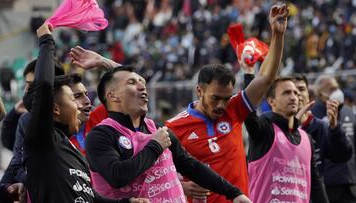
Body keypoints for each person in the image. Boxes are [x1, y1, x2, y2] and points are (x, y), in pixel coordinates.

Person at [165, 3, 288, 202]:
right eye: (215, 98)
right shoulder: (174, 127)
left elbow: (266, 78)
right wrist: (182, 186)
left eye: (226, 98)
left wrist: (277, 34)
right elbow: (157, 174)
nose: (222, 105)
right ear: (199, 91)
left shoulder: (235, 108)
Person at [85, 66, 252, 203]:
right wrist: (155, 146)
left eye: (142, 82)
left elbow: (190, 166)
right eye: (132, 83)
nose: (143, 86)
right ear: (112, 95)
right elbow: (117, 176)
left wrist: (234, 193)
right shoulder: (101, 135)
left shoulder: (157, 130)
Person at [24, 23, 148, 203]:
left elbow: (91, 197)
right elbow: (44, 88)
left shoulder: (74, 152)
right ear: (55, 108)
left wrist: (125, 202)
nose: (82, 104)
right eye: (73, 98)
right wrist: (46, 41)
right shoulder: (43, 140)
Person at [245, 77, 329, 203]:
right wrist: (249, 74)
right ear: (271, 101)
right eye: (286, 92)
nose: (294, 97)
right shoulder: (264, 130)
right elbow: (249, 112)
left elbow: (316, 186)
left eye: (296, 93)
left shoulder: (307, 138)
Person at [292, 74, 352, 175]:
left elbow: (342, 156)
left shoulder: (320, 126)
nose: (297, 94)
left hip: (328, 185)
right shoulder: (274, 127)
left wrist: (335, 128)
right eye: (290, 91)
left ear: (309, 96)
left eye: (301, 89)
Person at [0, 59, 64, 151]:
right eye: (26, 84)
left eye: (31, 84)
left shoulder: (72, 117)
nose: (26, 90)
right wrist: (13, 113)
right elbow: (10, 143)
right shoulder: (27, 118)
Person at [312, 74, 356, 203]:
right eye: (331, 89)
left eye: (337, 88)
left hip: (350, 182)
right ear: (319, 93)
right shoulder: (313, 116)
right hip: (327, 184)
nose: (337, 92)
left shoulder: (349, 112)